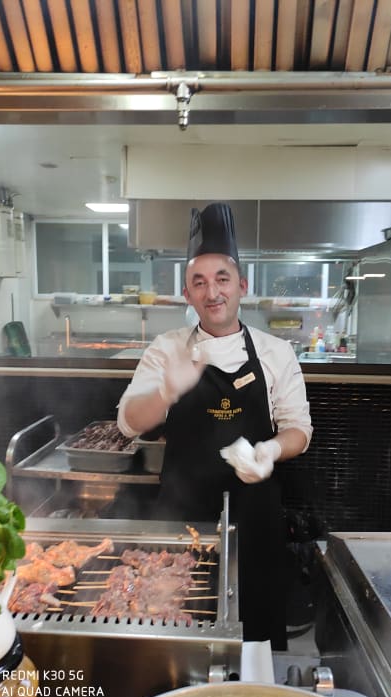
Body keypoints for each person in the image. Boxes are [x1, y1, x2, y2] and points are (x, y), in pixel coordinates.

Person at [117, 202, 313, 649]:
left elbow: (299, 430)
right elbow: (128, 423)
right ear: (187, 294)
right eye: (199, 282)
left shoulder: (275, 352)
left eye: (222, 279)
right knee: (179, 634)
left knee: (257, 637)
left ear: (242, 285)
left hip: (256, 516)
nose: (212, 292)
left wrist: (270, 451)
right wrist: (166, 391)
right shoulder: (166, 349)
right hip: (182, 515)